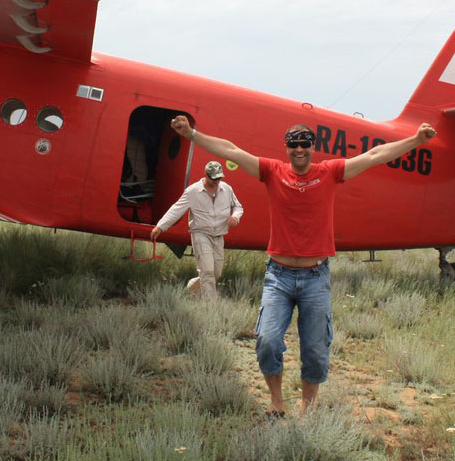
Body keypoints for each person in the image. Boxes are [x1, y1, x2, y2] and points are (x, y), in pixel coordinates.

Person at [168, 115, 436, 416]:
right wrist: (192, 134)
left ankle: (308, 409)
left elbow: (374, 156)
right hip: (278, 276)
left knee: (315, 348)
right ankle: (277, 403)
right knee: (268, 341)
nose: (299, 150)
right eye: (293, 144)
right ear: (286, 148)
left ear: (313, 147)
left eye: (305, 144)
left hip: (315, 277)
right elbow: (230, 150)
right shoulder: (272, 171)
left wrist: (416, 141)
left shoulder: (330, 172)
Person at [150, 161, 243, 301]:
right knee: (207, 272)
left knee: (216, 273)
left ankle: (192, 287)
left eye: (219, 178)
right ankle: (211, 308)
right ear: (206, 175)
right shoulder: (192, 191)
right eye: (214, 178)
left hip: (219, 235)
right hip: (200, 234)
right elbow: (176, 209)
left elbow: (238, 207)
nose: (217, 181)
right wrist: (160, 226)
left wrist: (235, 216)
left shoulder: (227, 189)